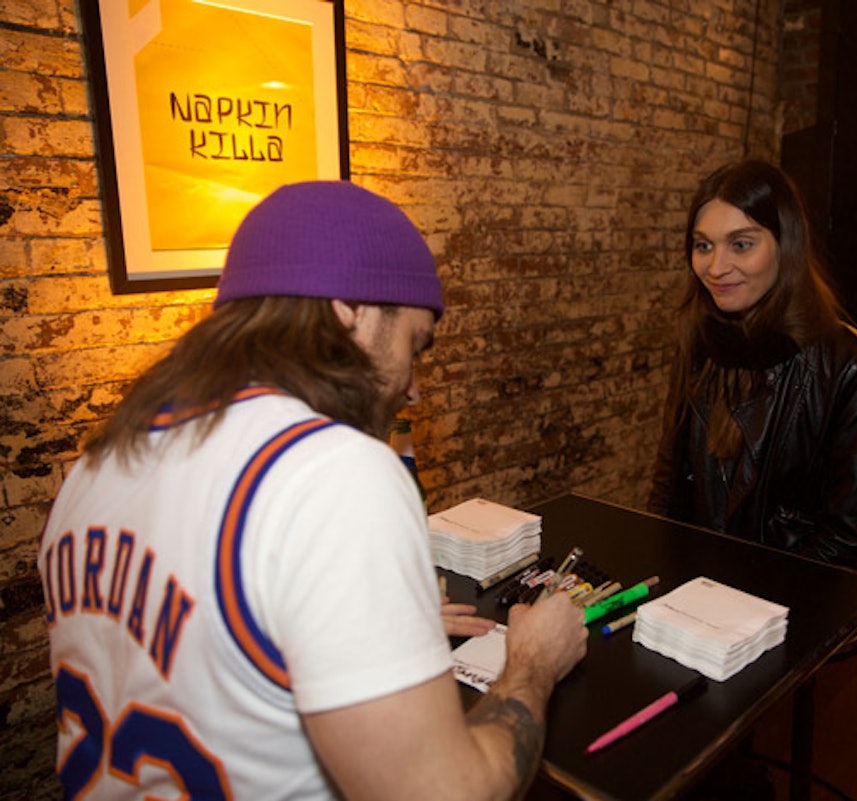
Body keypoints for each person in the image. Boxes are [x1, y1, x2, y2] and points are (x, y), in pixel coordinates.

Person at [37, 181, 587, 800]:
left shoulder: (96, 467)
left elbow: (195, 651)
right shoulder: (332, 472)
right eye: (415, 345)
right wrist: (532, 663)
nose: (413, 390)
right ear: (348, 308)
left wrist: (361, 628)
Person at [648, 160, 857, 571]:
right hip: (695, 591)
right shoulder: (700, 340)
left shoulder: (852, 366)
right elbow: (668, 488)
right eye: (703, 245)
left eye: (741, 244)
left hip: (786, 603)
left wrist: (741, 609)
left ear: (786, 244)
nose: (716, 267)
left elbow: (842, 544)